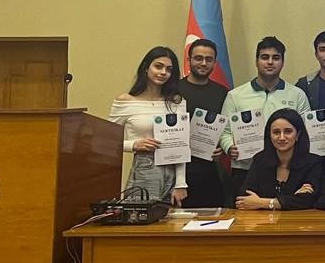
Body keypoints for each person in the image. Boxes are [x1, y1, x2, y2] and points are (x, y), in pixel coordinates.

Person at [219, 37, 311, 204]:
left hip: (286, 171)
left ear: (282, 62)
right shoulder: (235, 95)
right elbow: (224, 132)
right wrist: (229, 147)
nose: (270, 62)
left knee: (286, 216)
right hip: (245, 169)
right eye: (264, 57)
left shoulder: (297, 95)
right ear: (256, 61)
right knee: (245, 217)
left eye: (276, 58)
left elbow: (305, 132)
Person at [110, 46, 189, 205]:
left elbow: (181, 146)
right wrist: (133, 145)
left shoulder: (177, 102)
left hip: (171, 168)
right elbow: (105, 141)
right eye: (158, 66)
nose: (163, 72)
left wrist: (181, 184)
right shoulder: (125, 101)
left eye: (169, 69)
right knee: (142, 216)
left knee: (170, 219)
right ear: (146, 68)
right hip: (144, 166)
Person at [235, 108, 325, 211]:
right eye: (276, 132)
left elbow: (309, 200)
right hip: (263, 220)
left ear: (298, 134)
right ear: (269, 135)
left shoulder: (314, 162)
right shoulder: (260, 160)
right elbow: (244, 198)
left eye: (288, 131)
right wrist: (292, 198)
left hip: (299, 220)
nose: (281, 137)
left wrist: (264, 203)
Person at [177, 37, 229, 208]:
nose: (204, 63)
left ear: (214, 62)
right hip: (178, 172)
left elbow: (227, 130)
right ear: (189, 60)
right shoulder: (173, 90)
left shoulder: (223, 93)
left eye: (209, 59)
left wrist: (222, 148)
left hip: (211, 173)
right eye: (198, 58)